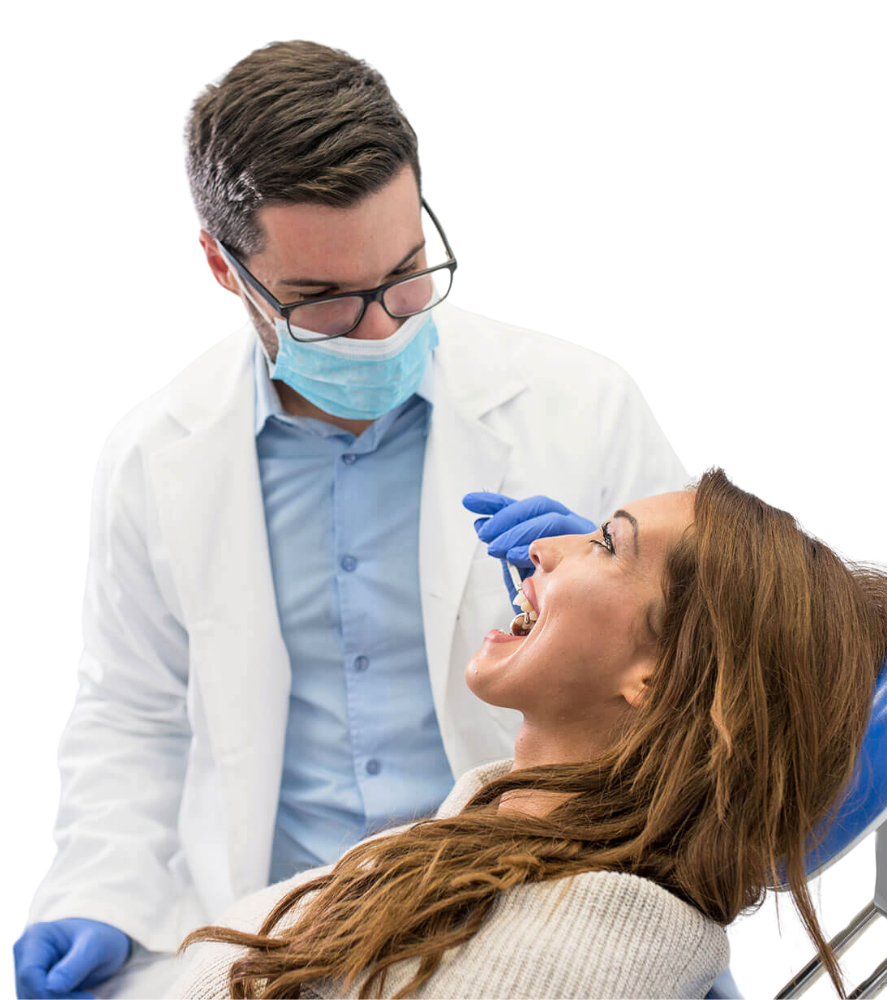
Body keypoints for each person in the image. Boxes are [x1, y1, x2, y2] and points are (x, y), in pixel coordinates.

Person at [13, 38, 692, 1000]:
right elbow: (134, 712)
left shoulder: (581, 404)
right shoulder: (153, 454)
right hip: (277, 934)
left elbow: (715, 673)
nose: (382, 330)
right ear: (220, 264)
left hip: (526, 906)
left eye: (407, 273)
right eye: (323, 303)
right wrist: (98, 893)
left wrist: (634, 590)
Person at [165, 465, 887, 1000]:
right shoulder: (481, 849)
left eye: (604, 543)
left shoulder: (571, 953)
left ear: (658, 676)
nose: (541, 548)